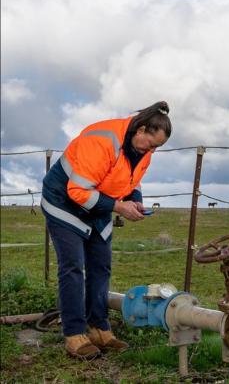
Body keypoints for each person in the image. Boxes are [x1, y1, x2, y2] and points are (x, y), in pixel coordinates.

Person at [41, 101, 171, 359]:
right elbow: (77, 190)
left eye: (158, 148)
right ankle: (74, 335)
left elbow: (132, 180)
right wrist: (120, 208)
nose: (153, 152)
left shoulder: (143, 151)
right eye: (152, 144)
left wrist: (134, 200)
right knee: (73, 268)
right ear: (141, 129)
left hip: (97, 206)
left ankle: (99, 328)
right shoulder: (102, 141)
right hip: (63, 202)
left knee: (101, 265)